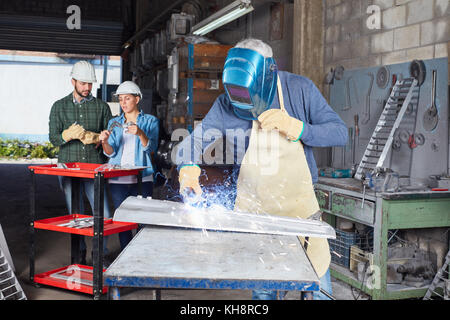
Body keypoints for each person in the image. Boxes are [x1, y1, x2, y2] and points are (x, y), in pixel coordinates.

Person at [175, 39, 348, 300]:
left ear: (269, 73)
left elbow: (339, 133)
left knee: (318, 288)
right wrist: (187, 165)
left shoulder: (299, 89)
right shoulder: (225, 104)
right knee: (264, 293)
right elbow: (195, 141)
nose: (241, 102)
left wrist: (299, 128)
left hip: (301, 213)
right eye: (235, 94)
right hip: (256, 215)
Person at [49, 60, 113, 265]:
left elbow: (109, 138)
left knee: (103, 214)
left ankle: (99, 255)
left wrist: (102, 137)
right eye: (83, 83)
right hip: (68, 167)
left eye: (90, 84)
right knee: (75, 217)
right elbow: (53, 138)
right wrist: (66, 135)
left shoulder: (102, 107)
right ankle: (78, 256)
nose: (87, 88)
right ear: (73, 81)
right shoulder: (59, 107)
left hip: (95, 166)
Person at [99, 81, 159, 250]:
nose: (123, 103)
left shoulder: (150, 122)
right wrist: (104, 141)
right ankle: (125, 252)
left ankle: (140, 253)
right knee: (123, 220)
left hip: (143, 177)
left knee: (143, 218)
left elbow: (151, 148)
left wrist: (140, 132)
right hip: (118, 178)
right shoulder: (114, 123)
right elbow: (110, 152)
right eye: (120, 99)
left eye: (127, 98)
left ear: (137, 99)